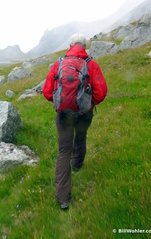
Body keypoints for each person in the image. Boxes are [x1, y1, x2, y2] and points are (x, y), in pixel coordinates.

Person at [43, 33, 107, 210]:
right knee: (80, 138)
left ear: (69, 46)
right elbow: (101, 92)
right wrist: (88, 103)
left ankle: (63, 198)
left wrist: (60, 103)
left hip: (63, 115)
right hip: (84, 114)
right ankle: (77, 166)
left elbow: (47, 91)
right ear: (84, 46)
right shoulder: (91, 64)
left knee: (64, 150)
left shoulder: (59, 64)